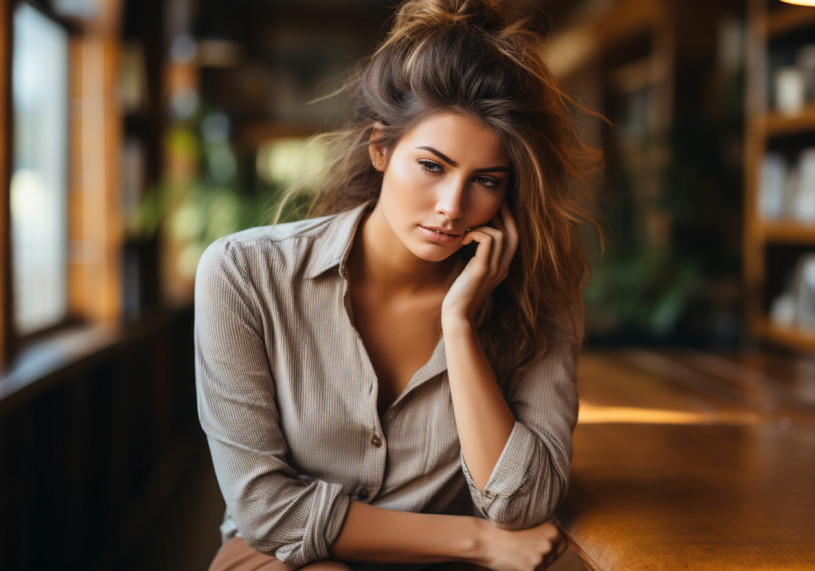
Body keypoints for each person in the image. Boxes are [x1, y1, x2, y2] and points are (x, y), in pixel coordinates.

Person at [195, 0, 600, 569]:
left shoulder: (539, 298)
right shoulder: (244, 273)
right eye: (432, 166)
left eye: (485, 181)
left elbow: (523, 504)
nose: (453, 208)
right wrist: (475, 541)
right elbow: (265, 509)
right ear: (380, 148)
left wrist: (460, 326)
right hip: (279, 561)